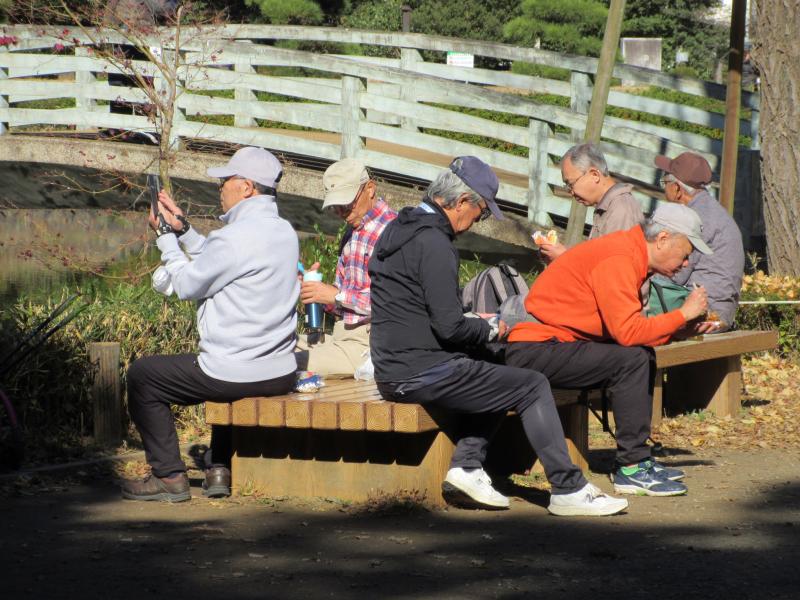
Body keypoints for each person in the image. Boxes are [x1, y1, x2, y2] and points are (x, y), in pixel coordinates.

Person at [369, 156, 628, 516]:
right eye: (481, 212)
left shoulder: (397, 230)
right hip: (420, 369)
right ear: (461, 202)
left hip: (392, 367)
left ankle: (468, 468)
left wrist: (477, 327)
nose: (478, 220)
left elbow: (424, 312)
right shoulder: (434, 244)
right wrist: (491, 326)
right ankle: (568, 488)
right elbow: (449, 327)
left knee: (495, 364)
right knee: (531, 383)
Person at [120, 147, 300, 502]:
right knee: (227, 377)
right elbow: (223, 261)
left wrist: (165, 239)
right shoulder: (284, 232)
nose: (220, 187)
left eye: (225, 180)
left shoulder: (233, 238)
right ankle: (219, 466)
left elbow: (188, 284)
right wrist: (184, 229)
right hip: (279, 370)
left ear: (246, 187)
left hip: (234, 371)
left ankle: (169, 476)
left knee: (143, 376)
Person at [506, 203, 714, 497]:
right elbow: (628, 333)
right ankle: (631, 467)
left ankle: (637, 458)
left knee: (640, 355)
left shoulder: (629, 253)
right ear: (663, 239)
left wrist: (679, 330)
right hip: (535, 347)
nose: (686, 263)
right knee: (632, 359)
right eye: (686, 253)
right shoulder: (620, 257)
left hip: (556, 343)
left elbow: (626, 331)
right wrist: (681, 315)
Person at [296, 158, 396, 378]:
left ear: (370, 189)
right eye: (335, 206)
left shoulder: (393, 232)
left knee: (284, 363)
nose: (341, 211)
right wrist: (317, 291)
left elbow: (393, 302)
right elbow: (342, 303)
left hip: (369, 346)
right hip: (342, 337)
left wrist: (336, 295)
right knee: (272, 349)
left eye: (346, 202)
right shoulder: (352, 232)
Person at [655, 151, 745, 330]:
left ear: (677, 189)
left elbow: (671, 274)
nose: (663, 188)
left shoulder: (692, 218)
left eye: (665, 183)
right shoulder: (713, 210)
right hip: (721, 309)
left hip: (703, 314)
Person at [539, 142, 644, 261]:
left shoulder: (621, 210)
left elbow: (611, 272)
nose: (570, 192)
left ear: (594, 175)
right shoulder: (608, 206)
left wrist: (564, 259)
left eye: (571, 184)